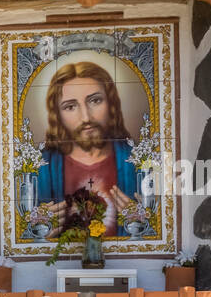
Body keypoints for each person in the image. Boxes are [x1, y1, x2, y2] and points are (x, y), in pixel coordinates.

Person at [33, 61, 137, 237]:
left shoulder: (137, 160)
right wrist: (40, 232)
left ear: (111, 103)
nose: (86, 117)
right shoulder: (41, 166)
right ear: (57, 115)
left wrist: (140, 224)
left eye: (95, 100)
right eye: (70, 107)